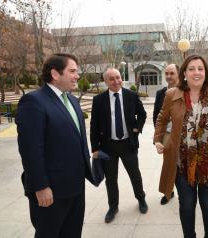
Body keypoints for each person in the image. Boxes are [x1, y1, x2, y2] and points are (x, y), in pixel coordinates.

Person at [154, 54, 208, 238]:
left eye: (200, 68)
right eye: (191, 69)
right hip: (182, 164)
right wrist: (158, 139)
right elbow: (161, 119)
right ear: (184, 73)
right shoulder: (171, 94)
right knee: (187, 204)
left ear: (206, 72)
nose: (196, 72)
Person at [16, 53, 94, 238]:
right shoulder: (34, 102)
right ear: (55, 74)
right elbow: (31, 150)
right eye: (72, 71)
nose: (77, 76)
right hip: (51, 192)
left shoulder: (73, 101)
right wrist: (41, 187)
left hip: (75, 187)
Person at [90, 67, 148, 223]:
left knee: (135, 175)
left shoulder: (131, 96)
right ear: (105, 82)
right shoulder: (99, 100)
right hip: (108, 147)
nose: (116, 81)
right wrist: (95, 149)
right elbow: (94, 125)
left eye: (118, 77)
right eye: (111, 79)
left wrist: (136, 128)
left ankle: (141, 199)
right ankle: (113, 207)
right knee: (111, 179)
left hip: (128, 144)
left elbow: (142, 114)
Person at [153, 63, 180, 205]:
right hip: (167, 135)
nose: (168, 76)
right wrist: (158, 139)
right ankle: (168, 192)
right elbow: (156, 116)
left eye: (172, 73)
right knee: (169, 165)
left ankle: (187, 191)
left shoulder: (187, 90)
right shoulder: (160, 93)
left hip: (184, 136)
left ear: (179, 74)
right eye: (167, 74)